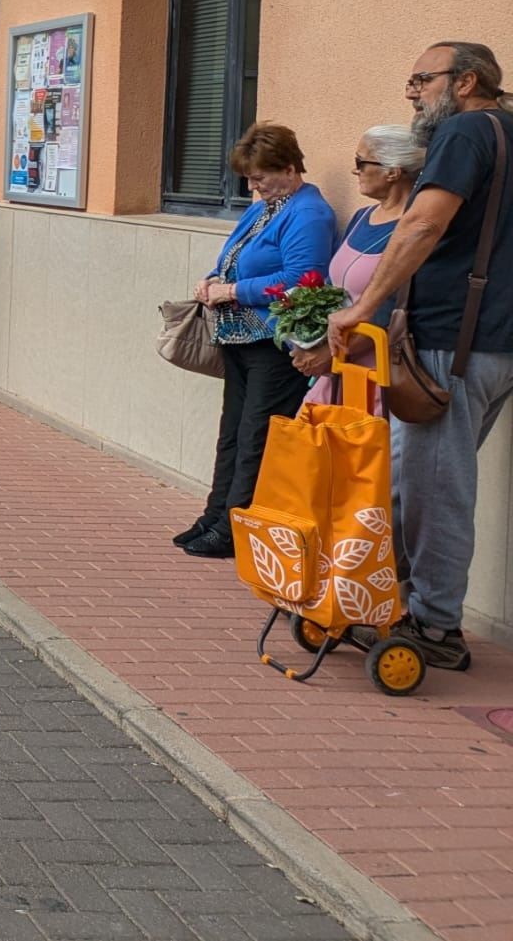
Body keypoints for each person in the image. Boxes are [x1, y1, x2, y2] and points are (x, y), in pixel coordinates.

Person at [327, 42, 513, 669]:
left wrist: (360, 307)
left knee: (435, 487)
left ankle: (436, 626)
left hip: (450, 343)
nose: (411, 91)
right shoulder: (507, 135)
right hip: (492, 344)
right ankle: (388, 593)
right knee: (418, 475)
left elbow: (422, 225)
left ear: (465, 82)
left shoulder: (464, 132)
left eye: (421, 79)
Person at [174, 122, 337, 559]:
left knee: (256, 438)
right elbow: (236, 255)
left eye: (260, 176)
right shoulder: (265, 206)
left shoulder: (308, 213)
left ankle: (235, 528)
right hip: (240, 338)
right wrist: (212, 279)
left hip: (274, 342)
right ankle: (215, 515)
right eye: (248, 177)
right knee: (232, 433)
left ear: (289, 167)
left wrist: (232, 291)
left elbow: (303, 280)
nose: (253, 184)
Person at [291, 125, 423, 415]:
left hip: (378, 373)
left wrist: (330, 352)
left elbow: (399, 307)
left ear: (393, 171)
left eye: (360, 162)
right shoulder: (362, 217)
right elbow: (331, 289)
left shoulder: (414, 228)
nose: (356, 171)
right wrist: (306, 342)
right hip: (337, 368)